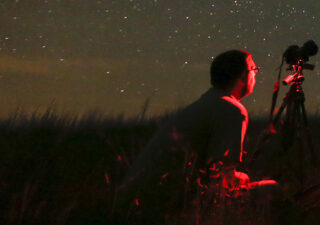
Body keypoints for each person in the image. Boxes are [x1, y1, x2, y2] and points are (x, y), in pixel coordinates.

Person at [117, 50, 278, 219]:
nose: (256, 74)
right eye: (254, 69)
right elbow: (221, 180)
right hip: (160, 208)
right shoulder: (231, 109)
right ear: (242, 75)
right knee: (272, 190)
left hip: (137, 203)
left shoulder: (208, 103)